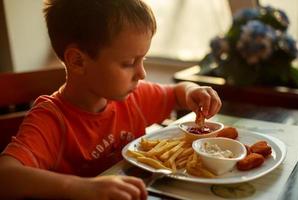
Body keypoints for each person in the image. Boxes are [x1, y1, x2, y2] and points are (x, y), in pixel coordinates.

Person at [0, 0, 222, 199]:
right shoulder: (52, 119)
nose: (142, 73)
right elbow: (5, 176)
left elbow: (176, 93)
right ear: (78, 61)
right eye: (129, 63)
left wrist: (192, 91)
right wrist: (84, 188)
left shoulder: (133, 97)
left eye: (143, 59)